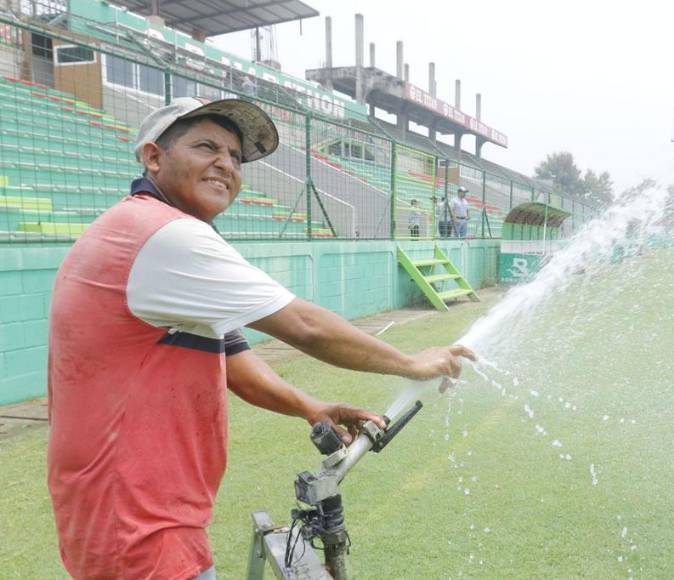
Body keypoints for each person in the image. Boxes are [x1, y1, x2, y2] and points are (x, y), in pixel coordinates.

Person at [46, 97, 475, 580]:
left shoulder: (150, 237)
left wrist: (309, 406)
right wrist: (413, 363)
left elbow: (234, 362)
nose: (225, 163)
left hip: (129, 514)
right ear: (153, 157)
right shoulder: (164, 236)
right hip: (137, 529)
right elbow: (304, 326)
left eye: (235, 155)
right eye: (206, 146)